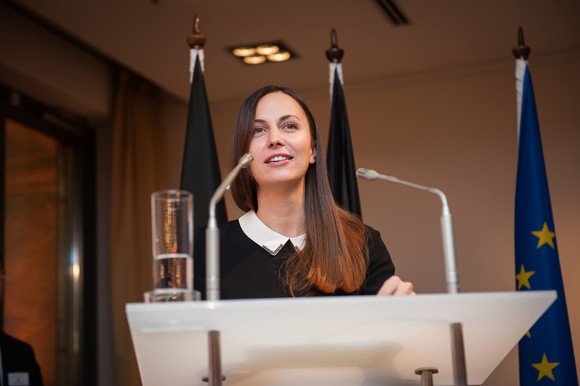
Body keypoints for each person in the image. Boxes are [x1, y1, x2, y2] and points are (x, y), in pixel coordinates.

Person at [194, 86, 413, 299]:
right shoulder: (205, 248)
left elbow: (386, 330)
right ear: (244, 157)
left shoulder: (364, 244)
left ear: (313, 151)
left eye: (289, 126)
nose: (275, 139)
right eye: (258, 130)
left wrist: (401, 312)